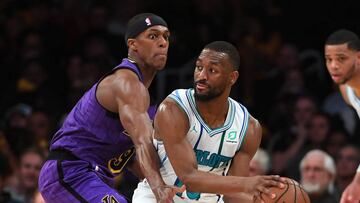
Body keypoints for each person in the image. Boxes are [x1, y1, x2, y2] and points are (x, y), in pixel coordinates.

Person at [38, 13, 184, 203]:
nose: (163, 42)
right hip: (70, 170)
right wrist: (159, 189)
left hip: (95, 178)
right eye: (153, 35)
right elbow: (142, 143)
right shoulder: (125, 83)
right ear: (133, 44)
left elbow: (131, 158)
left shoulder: (145, 99)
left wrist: (169, 188)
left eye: (166, 36)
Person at [133, 41, 285, 203]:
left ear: (232, 78)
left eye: (212, 70)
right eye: (199, 67)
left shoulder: (249, 127)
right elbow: (189, 177)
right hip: (159, 199)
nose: (202, 76)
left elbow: (233, 195)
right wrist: (248, 184)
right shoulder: (174, 109)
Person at [324, 29, 360, 203]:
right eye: (328, 60)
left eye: (341, 58)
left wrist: (357, 181)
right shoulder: (346, 90)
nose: (333, 66)